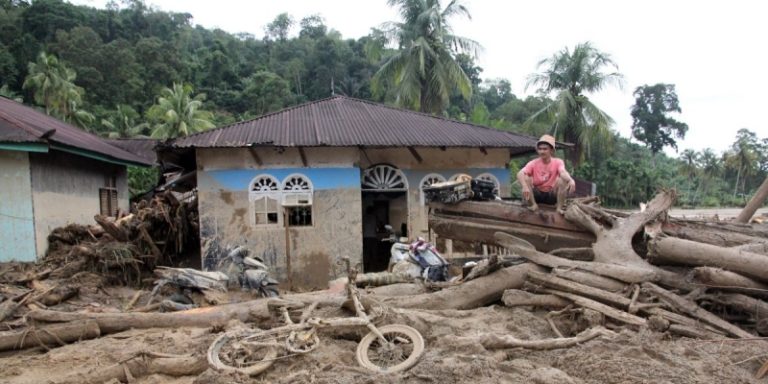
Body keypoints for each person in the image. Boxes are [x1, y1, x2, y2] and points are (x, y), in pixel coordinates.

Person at [516, 134, 576, 213]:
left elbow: (563, 172)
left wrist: (571, 180)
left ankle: (559, 208)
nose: (542, 151)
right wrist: (524, 186)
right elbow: (520, 173)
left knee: (562, 180)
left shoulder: (558, 162)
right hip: (537, 195)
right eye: (540, 149)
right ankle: (533, 205)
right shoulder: (533, 163)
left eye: (545, 149)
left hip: (551, 195)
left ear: (551, 150)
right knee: (526, 178)